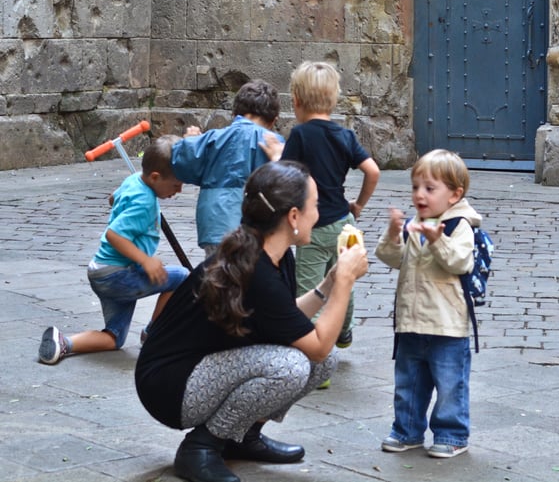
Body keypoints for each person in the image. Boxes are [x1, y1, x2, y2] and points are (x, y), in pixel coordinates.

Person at [135, 160, 368, 482]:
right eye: (315, 205)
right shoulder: (257, 268)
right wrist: (344, 283)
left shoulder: (272, 251)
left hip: (200, 369)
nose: (320, 212)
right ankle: (199, 448)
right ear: (294, 217)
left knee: (324, 361)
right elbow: (315, 346)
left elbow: (286, 321)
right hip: (169, 386)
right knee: (291, 365)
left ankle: (242, 436)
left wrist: (327, 286)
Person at [38, 135, 189, 365]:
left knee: (114, 338)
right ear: (156, 177)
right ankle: (153, 334)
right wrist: (145, 260)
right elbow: (114, 235)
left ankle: (63, 342)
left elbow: (113, 198)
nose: (179, 190)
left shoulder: (134, 180)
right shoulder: (144, 201)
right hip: (118, 275)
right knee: (182, 278)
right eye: (176, 185)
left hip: (102, 272)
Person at [375, 149, 481, 459]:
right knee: (408, 382)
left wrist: (437, 240)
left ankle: (452, 434)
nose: (419, 195)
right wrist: (394, 233)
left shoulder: (460, 225)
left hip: (448, 324)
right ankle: (407, 430)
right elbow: (393, 258)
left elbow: (459, 262)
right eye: (415, 187)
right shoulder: (415, 223)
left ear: (454, 194)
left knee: (450, 384)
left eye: (429, 188)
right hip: (411, 320)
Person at [279, 61, 379, 355]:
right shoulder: (344, 135)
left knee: (311, 289)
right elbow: (372, 171)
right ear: (333, 99)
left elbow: (284, 176)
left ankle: (316, 359)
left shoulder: (299, 135)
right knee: (343, 280)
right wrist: (358, 204)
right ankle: (344, 330)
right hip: (343, 223)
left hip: (312, 226)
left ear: (296, 100)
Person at [171, 79, 284, 257]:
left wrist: (189, 141)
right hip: (255, 227)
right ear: (273, 120)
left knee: (217, 274)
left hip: (214, 225)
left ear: (234, 113)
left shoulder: (213, 138)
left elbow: (182, 164)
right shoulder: (272, 141)